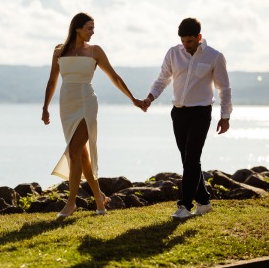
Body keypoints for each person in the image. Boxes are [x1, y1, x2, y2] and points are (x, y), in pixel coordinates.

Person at [42, 12, 145, 217]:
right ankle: (99, 197)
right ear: (77, 28)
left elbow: (113, 76)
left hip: (87, 102)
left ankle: (71, 203)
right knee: (81, 154)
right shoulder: (59, 51)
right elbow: (52, 80)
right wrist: (45, 107)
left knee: (73, 151)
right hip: (67, 104)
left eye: (93, 28)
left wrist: (133, 99)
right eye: (89, 28)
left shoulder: (95, 51)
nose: (93, 32)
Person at [143, 17, 232, 219]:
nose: (186, 45)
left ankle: (184, 205)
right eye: (183, 41)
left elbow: (224, 89)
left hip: (201, 113)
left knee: (191, 158)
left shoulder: (214, 56)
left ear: (199, 37)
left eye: (189, 41)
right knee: (189, 160)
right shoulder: (173, 53)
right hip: (179, 113)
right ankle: (205, 202)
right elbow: (162, 79)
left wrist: (225, 116)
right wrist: (150, 98)